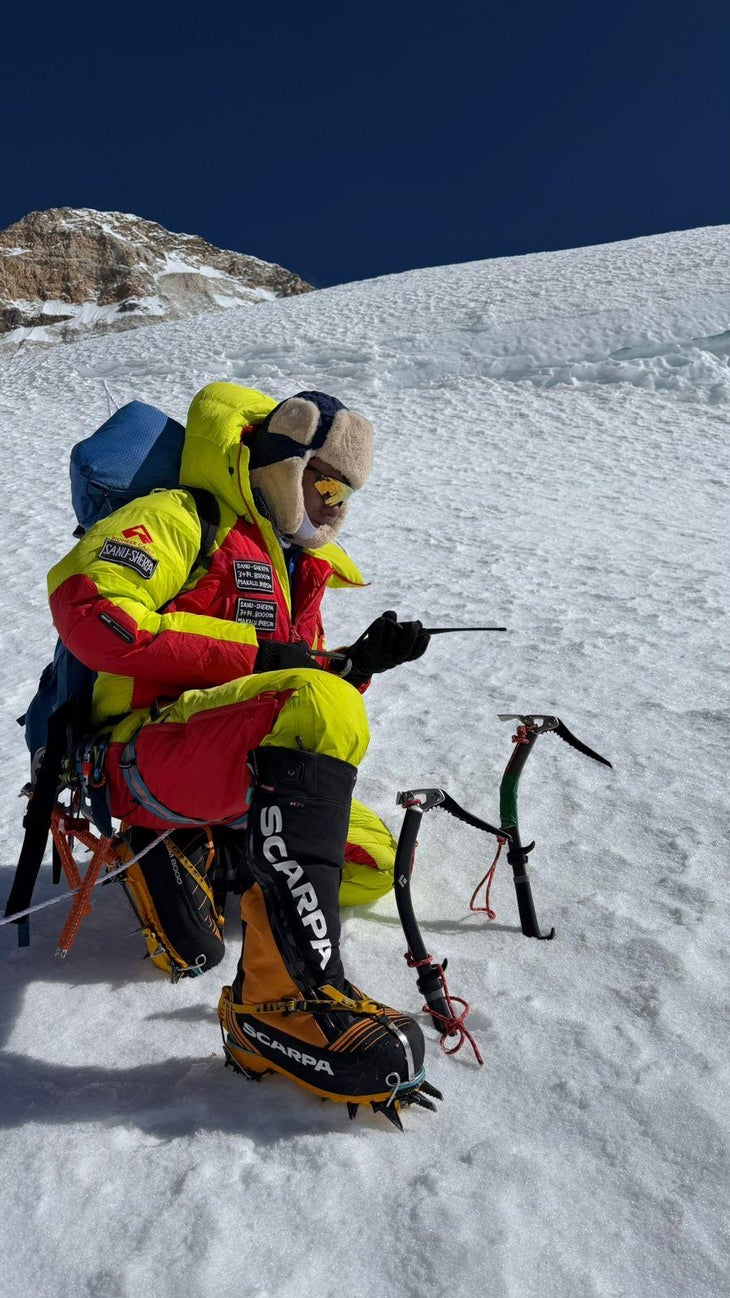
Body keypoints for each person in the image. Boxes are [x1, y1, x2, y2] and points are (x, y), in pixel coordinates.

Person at [47, 381, 435, 1113]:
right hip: (138, 756)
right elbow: (90, 609)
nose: (333, 506)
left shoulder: (298, 570)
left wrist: (356, 665)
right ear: (278, 465)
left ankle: (197, 851)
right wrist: (264, 657)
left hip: (221, 768)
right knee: (315, 703)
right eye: (322, 482)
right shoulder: (178, 517)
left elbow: (299, 690)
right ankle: (277, 1004)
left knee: (376, 862)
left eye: (347, 494)